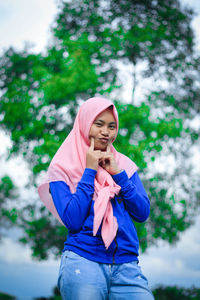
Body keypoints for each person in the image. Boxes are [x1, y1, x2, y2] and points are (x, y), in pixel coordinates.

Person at [38, 97, 154, 300]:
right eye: (98, 124)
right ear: (84, 124)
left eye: (112, 126)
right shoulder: (61, 168)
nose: (106, 131)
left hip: (127, 265)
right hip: (83, 262)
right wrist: (89, 171)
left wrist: (118, 175)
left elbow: (142, 213)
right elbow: (72, 220)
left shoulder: (124, 165)